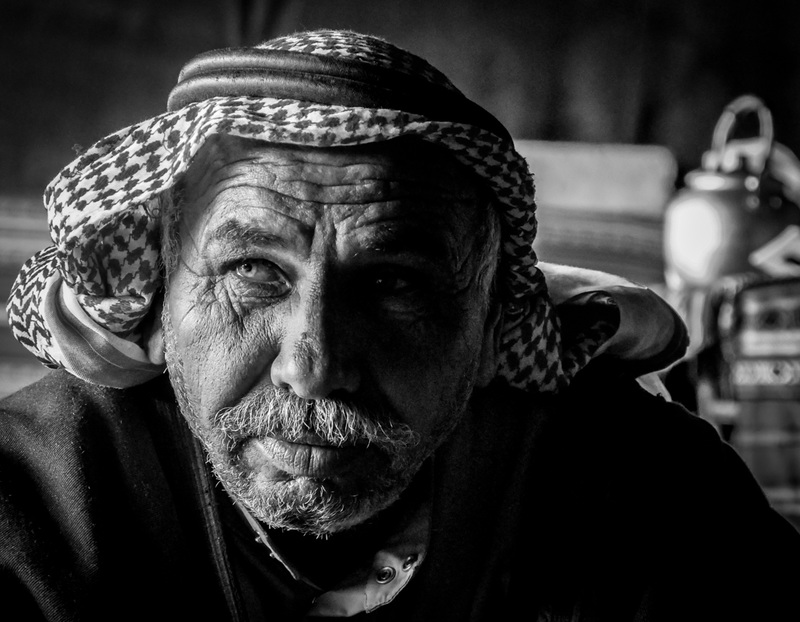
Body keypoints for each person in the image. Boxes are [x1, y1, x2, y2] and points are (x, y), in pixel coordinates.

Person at [1, 29, 798, 622]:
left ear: (491, 328)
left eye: (393, 283)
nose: (314, 365)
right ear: (159, 306)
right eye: (253, 271)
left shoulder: (641, 489)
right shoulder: (33, 499)